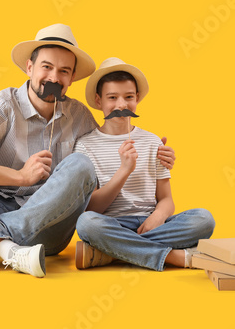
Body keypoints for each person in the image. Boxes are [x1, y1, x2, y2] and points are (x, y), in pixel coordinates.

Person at [0, 25, 176, 278]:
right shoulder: (1, 107)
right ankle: (8, 250)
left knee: (80, 164)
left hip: (50, 227)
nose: (54, 78)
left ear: (72, 78)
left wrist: (151, 151)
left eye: (64, 71)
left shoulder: (80, 117)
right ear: (29, 68)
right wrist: (20, 177)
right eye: (47, 67)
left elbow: (103, 152)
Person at [74, 58, 215, 271]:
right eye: (112, 97)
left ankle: (112, 252)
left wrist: (158, 217)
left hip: (151, 223)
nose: (121, 105)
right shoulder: (85, 146)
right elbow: (93, 207)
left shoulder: (152, 142)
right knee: (86, 223)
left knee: (204, 220)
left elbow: (166, 199)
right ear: (98, 100)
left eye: (128, 97)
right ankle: (172, 257)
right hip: (113, 224)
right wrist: (124, 170)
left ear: (137, 98)